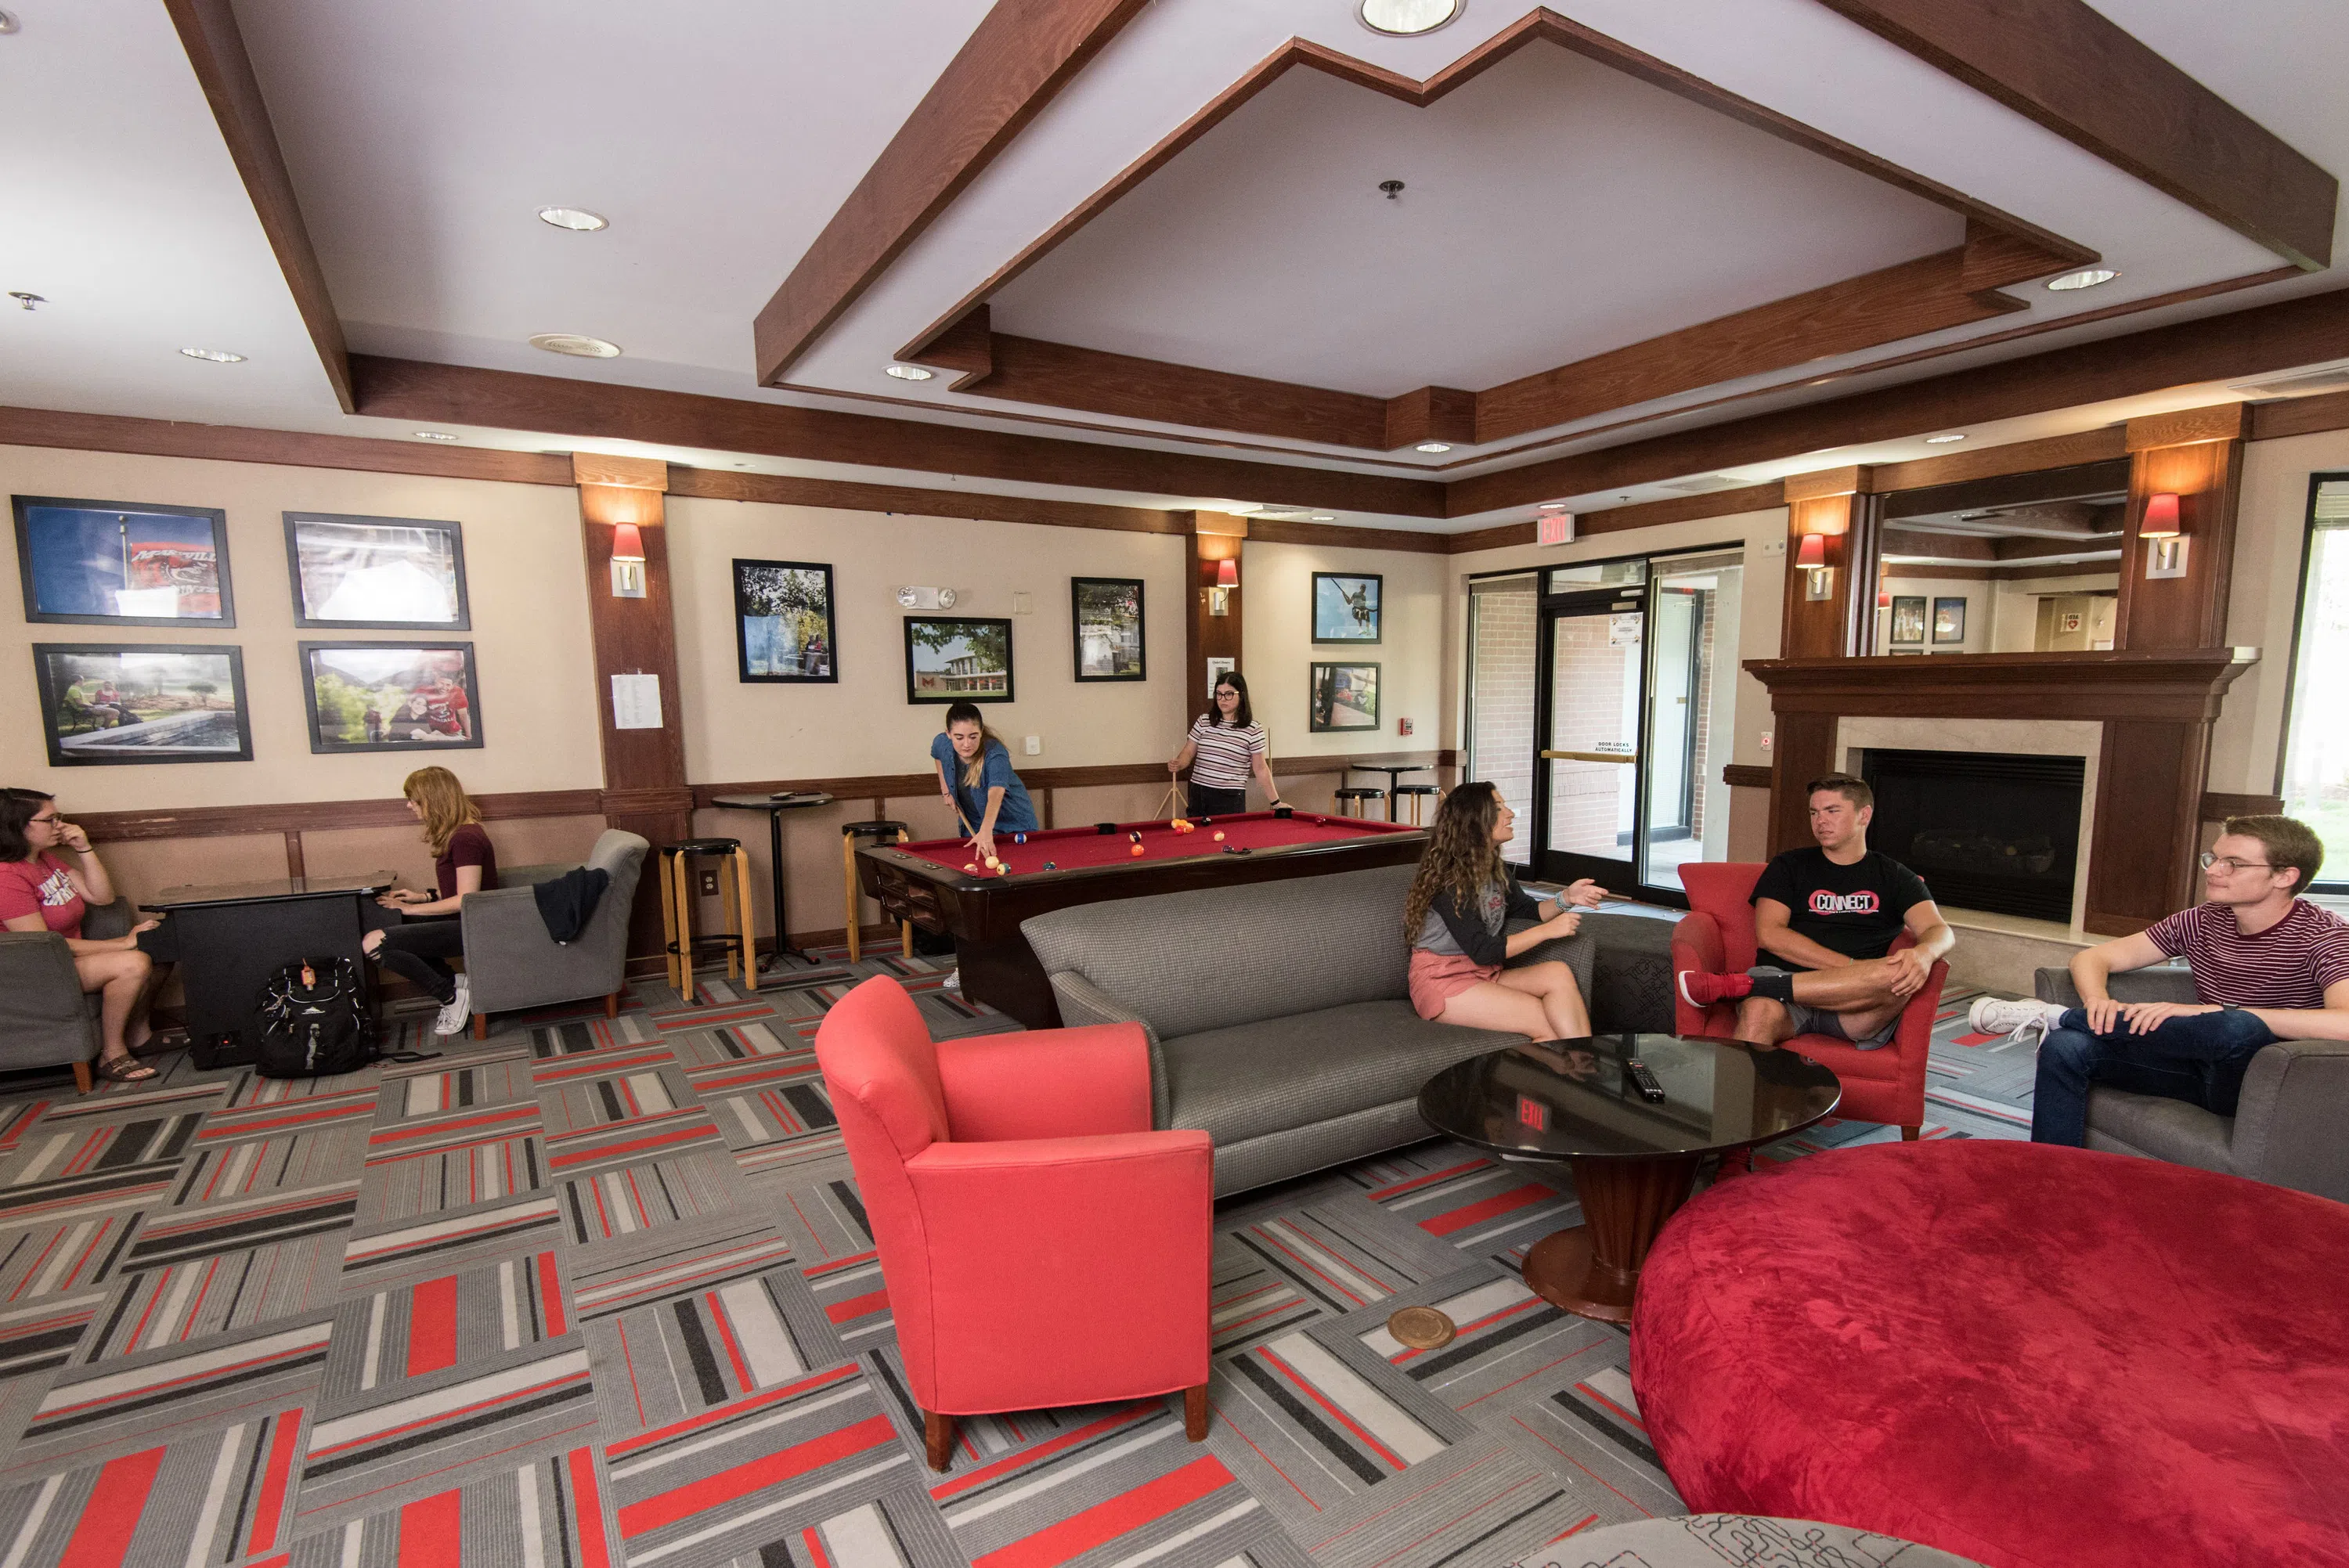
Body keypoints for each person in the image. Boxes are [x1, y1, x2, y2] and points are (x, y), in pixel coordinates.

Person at [1968, 815, 2349, 1147]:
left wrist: (2211, 1012)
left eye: (2234, 864)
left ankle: (2056, 1016)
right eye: (2214, 858)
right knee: (2066, 1047)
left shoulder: (2326, 936)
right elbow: (2092, 957)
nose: (2213, 870)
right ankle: (2052, 1173)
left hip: (2261, 1082)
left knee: (2237, 1026)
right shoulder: (2203, 919)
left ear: (2284, 876)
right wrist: (2097, 1000)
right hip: (2189, 1065)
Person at [1676, 773, 1955, 1055]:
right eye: (1814, 812)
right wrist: (1852, 969)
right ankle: (1741, 1096)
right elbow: (1771, 935)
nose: (1820, 821)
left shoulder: (1894, 876)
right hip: (1787, 990)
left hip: (1856, 1003)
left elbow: (1939, 930)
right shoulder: (1788, 866)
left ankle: (1748, 986)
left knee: (1903, 973)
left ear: (1864, 815)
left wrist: (1924, 954)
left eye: (1832, 811)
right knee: (1758, 1011)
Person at [1403, 781, 1603, 1039]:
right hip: (1443, 981)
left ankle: (1581, 1063)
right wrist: (1547, 932)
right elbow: (1483, 951)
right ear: (1475, 821)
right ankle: (1568, 1071)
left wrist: (1567, 897)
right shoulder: (1450, 881)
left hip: (1483, 974)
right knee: (1544, 1022)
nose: (1510, 814)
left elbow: (1529, 910)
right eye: (1499, 808)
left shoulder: (1494, 870)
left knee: (1558, 973)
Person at [0, 788, 166, 1083]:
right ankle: (112, 1054)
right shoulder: (6, 878)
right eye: (50, 819)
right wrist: (121, 943)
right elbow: (41, 947)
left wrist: (84, 847)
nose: (60, 825)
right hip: (36, 971)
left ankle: (140, 1036)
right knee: (132, 963)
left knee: (159, 945)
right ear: (17, 826)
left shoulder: (43, 860)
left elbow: (101, 897)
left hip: (64, 960)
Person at [363, 766, 499, 1034]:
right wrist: (421, 897)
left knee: (374, 943)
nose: (409, 805)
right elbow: (461, 889)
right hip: (462, 922)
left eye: (414, 799)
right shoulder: (459, 834)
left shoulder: (466, 839)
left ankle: (450, 996)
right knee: (392, 926)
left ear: (434, 800)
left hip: (472, 927)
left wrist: (410, 909)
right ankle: (454, 982)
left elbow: (465, 899)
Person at [929, 701, 1037, 867]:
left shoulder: (995, 752)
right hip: (973, 827)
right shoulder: (942, 742)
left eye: (973, 736)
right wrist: (946, 790)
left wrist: (986, 831)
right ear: (948, 734)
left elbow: (996, 791)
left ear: (981, 732)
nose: (967, 744)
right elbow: (937, 755)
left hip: (1014, 826)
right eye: (959, 737)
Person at [1168, 671, 1283, 818]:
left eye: (1229, 694)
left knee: (1228, 839)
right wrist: (1179, 763)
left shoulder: (1253, 729)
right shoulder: (1204, 721)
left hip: (1229, 797)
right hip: (1199, 793)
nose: (1223, 699)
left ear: (1241, 695)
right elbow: (1188, 752)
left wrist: (1276, 803)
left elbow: (1261, 769)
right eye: (1219, 694)